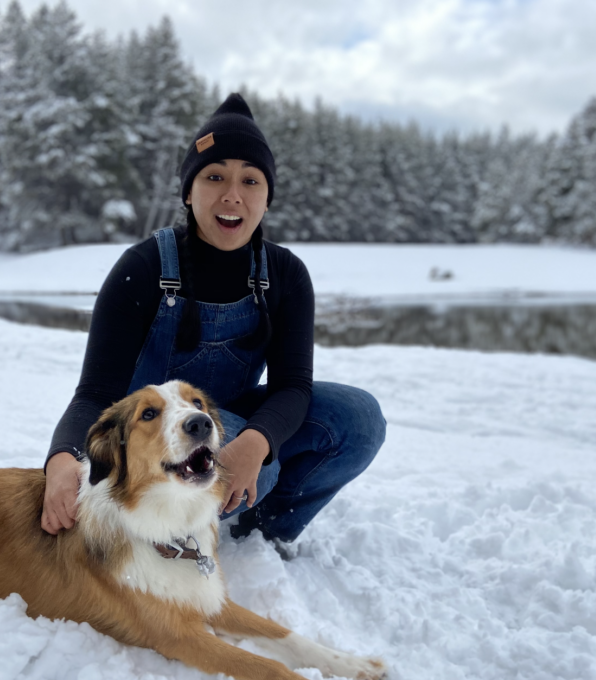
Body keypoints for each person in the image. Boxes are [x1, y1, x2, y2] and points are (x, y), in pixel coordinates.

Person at [42, 93, 385, 543]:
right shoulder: (143, 268)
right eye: (215, 176)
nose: (232, 195)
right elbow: (95, 393)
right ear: (189, 190)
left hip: (226, 421)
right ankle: (153, 525)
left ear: (267, 197)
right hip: (151, 440)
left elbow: (292, 387)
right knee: (253, 457)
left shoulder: (285, 275)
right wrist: (62, 459)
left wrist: (258, 441)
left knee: (357, 419)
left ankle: (260, 532)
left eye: (251, 181)